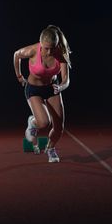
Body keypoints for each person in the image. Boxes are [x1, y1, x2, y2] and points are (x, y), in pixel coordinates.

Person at [13, 25, 71, 162]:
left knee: (59, 127)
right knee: (44, 122)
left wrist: (61, 87)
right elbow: (16, 55)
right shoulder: (32, 50)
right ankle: (33, 123)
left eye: (53, 47)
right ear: (40, 44)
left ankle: (50, 149)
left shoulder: (61, 53)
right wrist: (19, 76)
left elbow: (66, 80)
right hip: (34, 89)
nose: (49, 51)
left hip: (52, 89)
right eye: (46, 48)